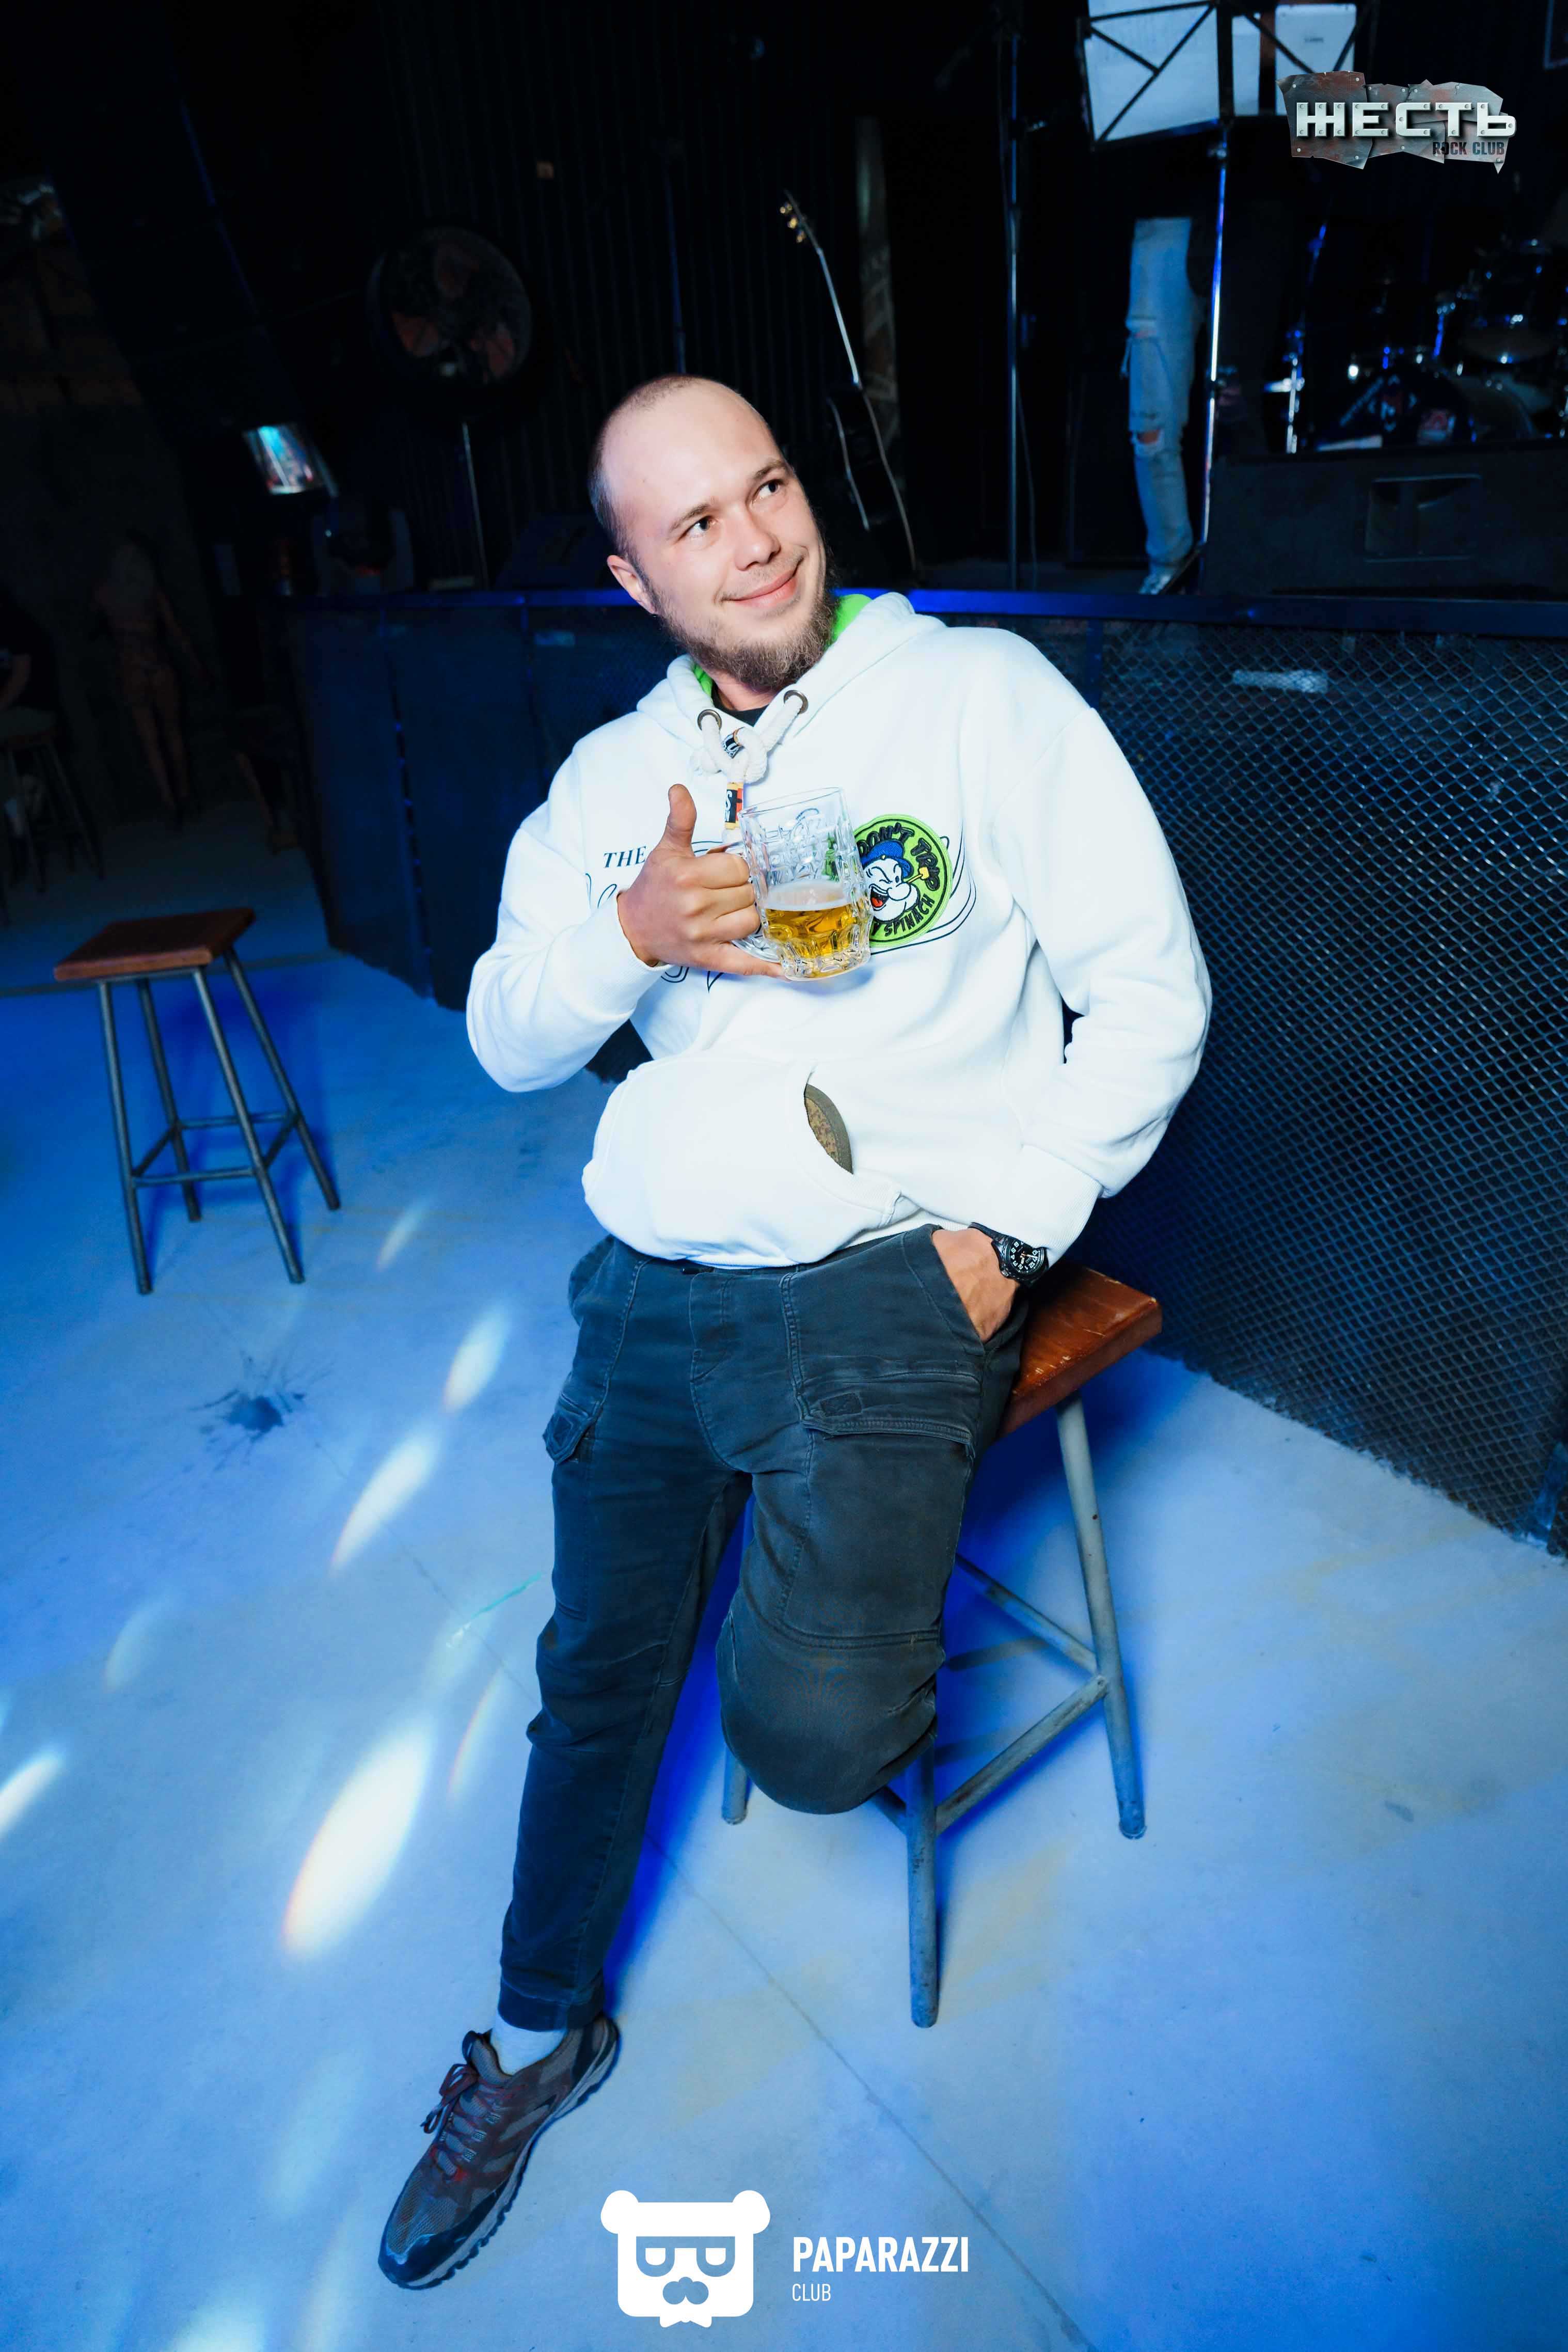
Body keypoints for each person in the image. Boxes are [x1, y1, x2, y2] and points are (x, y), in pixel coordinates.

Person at [377, 374, 1212, 2291]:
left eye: (765, 487)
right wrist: (635, 937)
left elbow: (1151, 990)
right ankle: (530, 2037)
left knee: (819, 1740)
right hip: (653, 1273)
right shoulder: (615, 780)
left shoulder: (979, 699)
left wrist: (1013, 1228)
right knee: (595, 1676)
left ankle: (800, 1565)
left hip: (891, 1265)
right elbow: (504, 1036)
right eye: (695, 524)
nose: (755, 539)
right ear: (631, 579)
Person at [90, 534, 205, 825]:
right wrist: (197, 666)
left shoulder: (103, 594)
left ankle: (169, 803)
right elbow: (177, 633)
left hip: (131, 669)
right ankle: (185, 795)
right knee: (174, 734)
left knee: (150, 742)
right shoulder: (152, 592)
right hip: (158, 665)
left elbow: (90, 628)